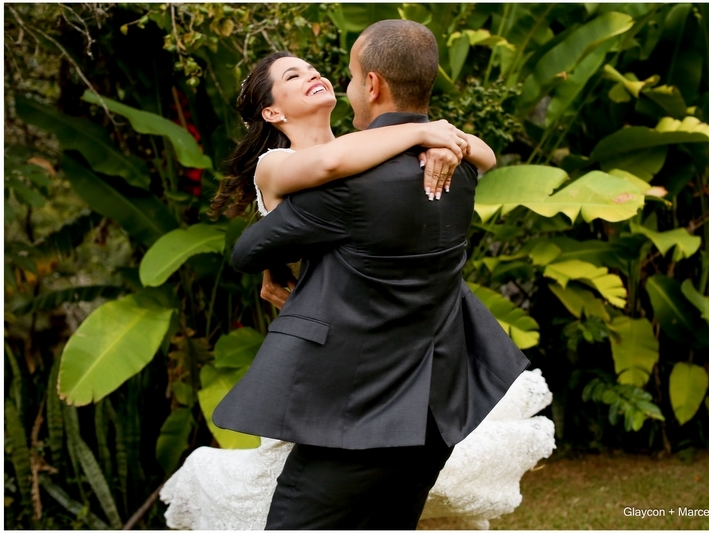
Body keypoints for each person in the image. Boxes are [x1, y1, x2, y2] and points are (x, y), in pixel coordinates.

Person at [211, 19, 530, 530]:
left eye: (321, 71)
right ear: (272, 112)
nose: (317, 77)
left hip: (361, 373)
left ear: (372, 85)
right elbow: (330, 167)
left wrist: (442, 141)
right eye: (293, 76)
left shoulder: (363, 158)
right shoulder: (281, 164)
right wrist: (427, 133)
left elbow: (351, 167)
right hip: (367, 368)